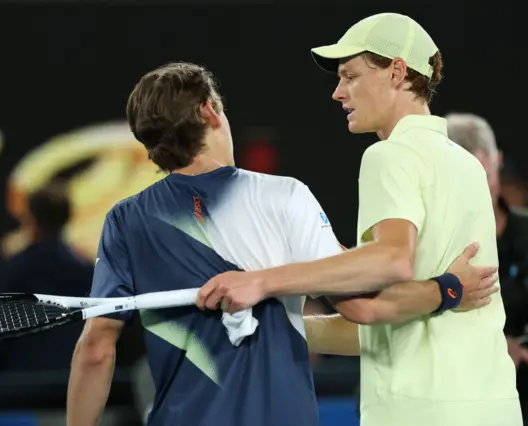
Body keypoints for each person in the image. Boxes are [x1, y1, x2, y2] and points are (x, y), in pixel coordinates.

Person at [65, 61, 496, 426]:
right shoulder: (283, 196)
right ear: (210, 111)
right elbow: (362, 306)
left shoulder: (124, 220)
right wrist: (447, 290)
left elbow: (97, 350)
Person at [196, 13, 522, 426]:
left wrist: (261, 281)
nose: (337, 92)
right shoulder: (467, 166)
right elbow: (382, 320)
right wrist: (277, 323)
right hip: (494, 408)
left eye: (350, 76)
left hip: (417, 414)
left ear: (397, 73)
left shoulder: (388, 155)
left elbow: (391, 264)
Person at [446, 112, 528, 422]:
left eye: (486, 172)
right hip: (458, 394)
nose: (480, 186)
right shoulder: (429, 245)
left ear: (498, 161)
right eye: (468, 175)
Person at [0, 181, 93, 373]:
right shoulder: (90, 274)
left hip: (21, 389)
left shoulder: (11, 271)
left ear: (30, 218)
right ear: (68, 217)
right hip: (74, 385)